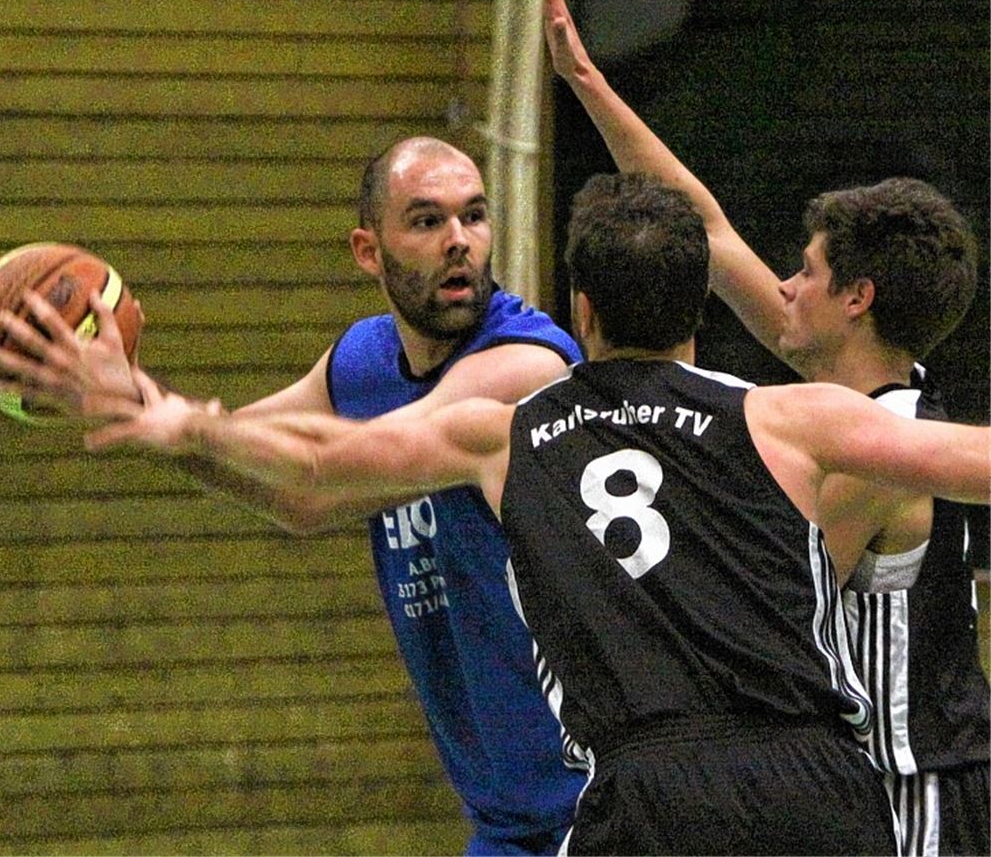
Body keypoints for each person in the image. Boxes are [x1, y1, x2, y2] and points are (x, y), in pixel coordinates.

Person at [73, 173, 991, 855]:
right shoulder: (790, 416)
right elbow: (974, 460)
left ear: (581, 311)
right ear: (695, 314)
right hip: (811, 783)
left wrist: (174, 419)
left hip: (645, 792)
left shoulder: (505, 433)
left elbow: (318, 466)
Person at [0, 136, 587, 855]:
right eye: (428, 222)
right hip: (511, 822)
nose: (459, 242)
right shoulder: (363, 361)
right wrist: (135, 405)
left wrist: (163, 414)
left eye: (474, 216)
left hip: (602, 801)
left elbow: (322, 471)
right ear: (368, 251)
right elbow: (278, 478)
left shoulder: (525, 365)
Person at [537, 0, 989, 853]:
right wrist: (586, 81)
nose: (782, 283)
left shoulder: (876, 451)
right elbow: (704, 234)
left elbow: (755, 601)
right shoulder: (852, 403)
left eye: (807, 273)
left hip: (915, 785)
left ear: (856, 299)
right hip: (856, 785)